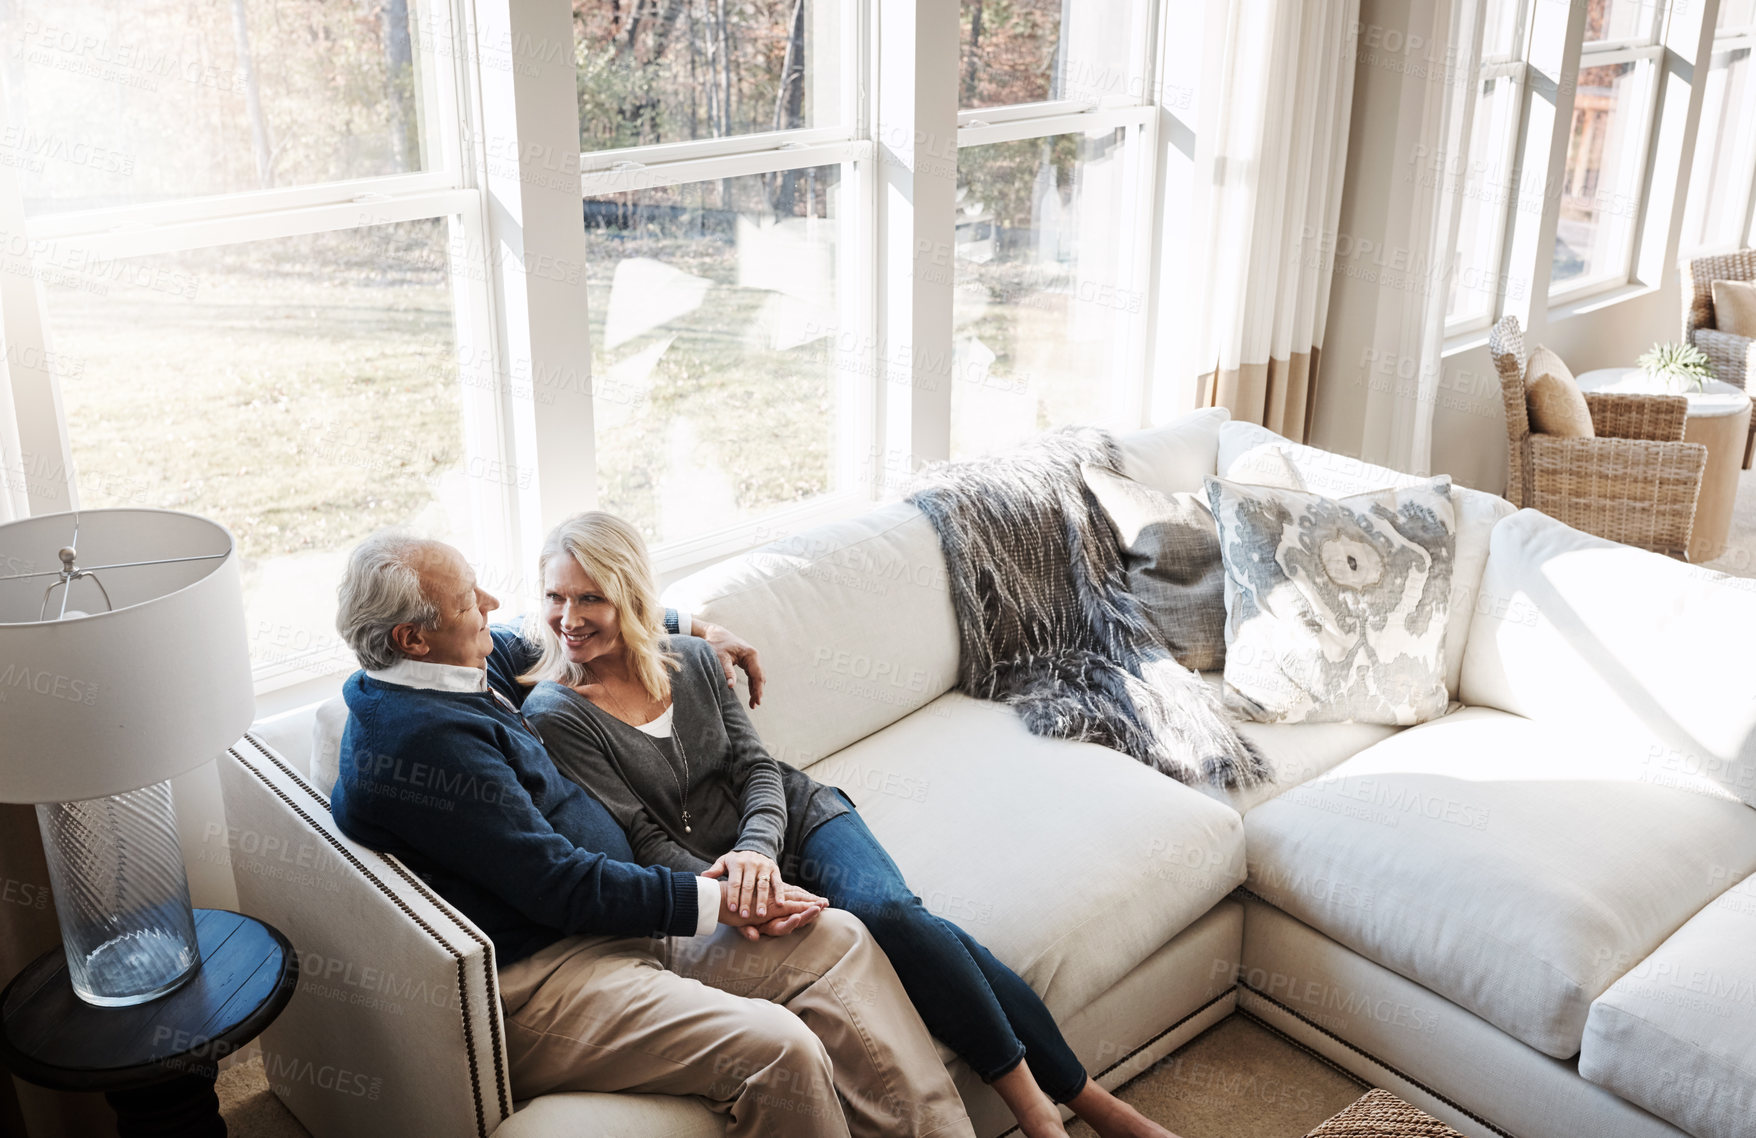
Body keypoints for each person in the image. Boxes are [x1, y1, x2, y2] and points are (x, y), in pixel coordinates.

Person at [520, 512, 1183, 1138]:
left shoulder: (691, 660)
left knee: (894, 916)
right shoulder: (556, 714)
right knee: (916, 935)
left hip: (795, 817)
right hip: (715, 875)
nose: (569, 619)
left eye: (591, 599)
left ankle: (1046, 1108)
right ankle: (1084, 1103)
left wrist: (757, 851)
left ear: (631, 595)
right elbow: (642, 835)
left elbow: (757, 769)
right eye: (556, 598)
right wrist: (739, 892)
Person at [326, 533, 976, 1138]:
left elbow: (550, 630)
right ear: (412, 637)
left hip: (616, 923)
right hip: (545, 978)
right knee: (777, 1049)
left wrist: (693, 626)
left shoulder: (451, 670)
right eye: (470, 601)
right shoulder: (425, 744)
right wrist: (723, 900)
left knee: (838, 938)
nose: (489, 608)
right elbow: (559, 887)